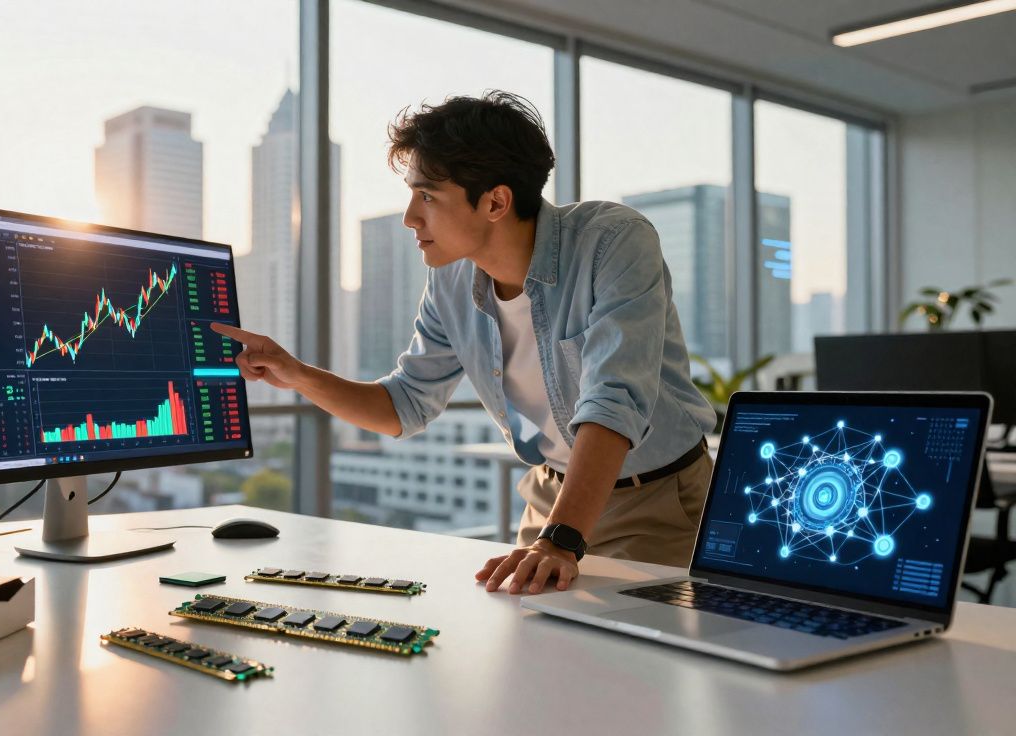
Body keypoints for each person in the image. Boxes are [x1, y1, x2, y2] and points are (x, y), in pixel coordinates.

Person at [213, 90, 716, 595]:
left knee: (635, 663)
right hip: (551, 501)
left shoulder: (613, 241)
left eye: (427, 196)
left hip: (656, 504)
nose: (410, 216)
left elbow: (613, 401)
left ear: (495, 201)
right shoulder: (450, 281)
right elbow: (404, 405)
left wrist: (561, 539)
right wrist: (297, 373)